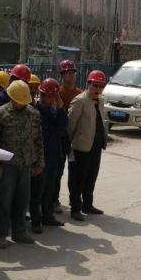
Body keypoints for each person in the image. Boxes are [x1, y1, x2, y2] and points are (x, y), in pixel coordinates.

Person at [0, 80, 44, 248]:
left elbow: (38, 140)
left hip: (25, 164)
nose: (21, 104)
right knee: (4, 201)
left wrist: (39, 162)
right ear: (11, 97)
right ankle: (1, 234)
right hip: (6, 165)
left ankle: (19, 232)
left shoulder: (33, 114)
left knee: (22, 200)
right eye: (18, 101)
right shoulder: (0, 113)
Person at [67, 70, 108, 221]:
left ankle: (87, 204)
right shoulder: (79, 101)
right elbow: (70, 125)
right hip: (80, 147)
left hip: (96, 145)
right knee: (77, 179)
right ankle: (75, 208)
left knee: (91, 176)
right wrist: (73, 142)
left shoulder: (100, 101)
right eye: (95, 85)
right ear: (88, 84)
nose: (98, 89)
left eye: (101, 86)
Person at [30, 78, 67, 233]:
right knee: (37, 191)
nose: (53, 100)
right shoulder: (35, 112)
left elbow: (62, 129)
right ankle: (36, 221)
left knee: (50, 188)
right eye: (50, 96)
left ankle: (48, 216)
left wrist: (60, 109)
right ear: (42, 95)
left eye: (55, 96)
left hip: (54, 156)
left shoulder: (54, 111)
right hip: (41, 157)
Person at [54, 60, 82, 211]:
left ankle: (75, 202)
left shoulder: (79, 93)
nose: (70, 75)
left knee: (75, 173)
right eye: (67, 73)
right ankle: (54, 200)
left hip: (75, 139)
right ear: (62, 75)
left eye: (72, 72)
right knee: (57, 171)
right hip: (61, 138)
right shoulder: (58, 93)